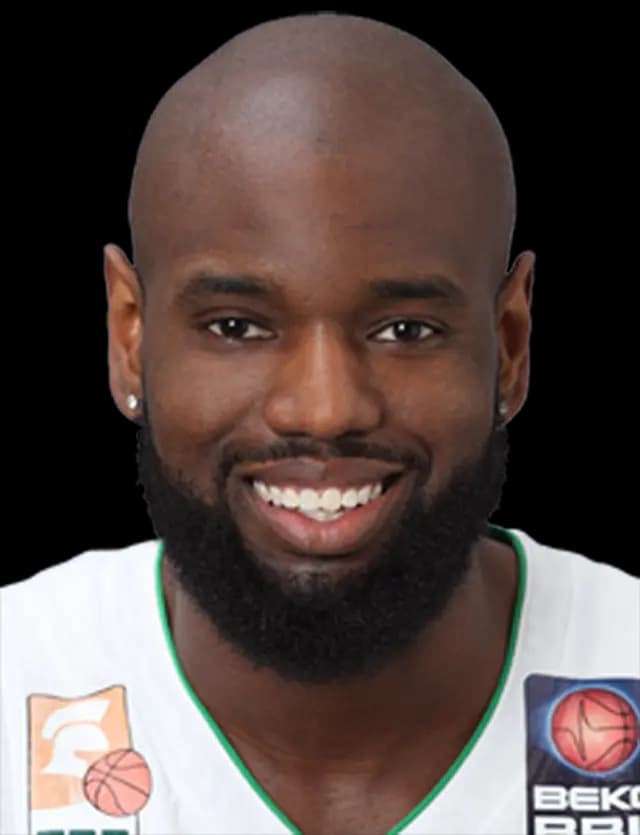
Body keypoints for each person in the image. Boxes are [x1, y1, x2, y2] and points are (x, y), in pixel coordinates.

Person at [1, 12, 638, 835]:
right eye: (237, 326)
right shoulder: (17, 675)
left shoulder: (624, 651)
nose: (325, 408)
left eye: (405, 329)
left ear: (510, 345)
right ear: (130, 339)